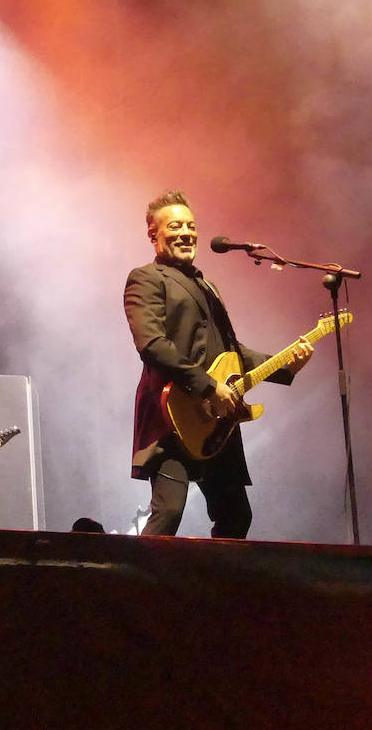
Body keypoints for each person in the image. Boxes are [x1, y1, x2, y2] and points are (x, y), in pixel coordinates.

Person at [123, 190, 313, 539]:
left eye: (191, 226)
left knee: (236, 517)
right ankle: (131, 588)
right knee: (169, 512)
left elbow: (232, 352)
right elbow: (152, 344)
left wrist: (286, 364)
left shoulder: (207, 285)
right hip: (174, 415)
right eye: (175, 226)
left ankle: (211, 590)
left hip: (217, 422)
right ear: (154, 234)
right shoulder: (146, 279)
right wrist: (210, 387)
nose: (186, 233)